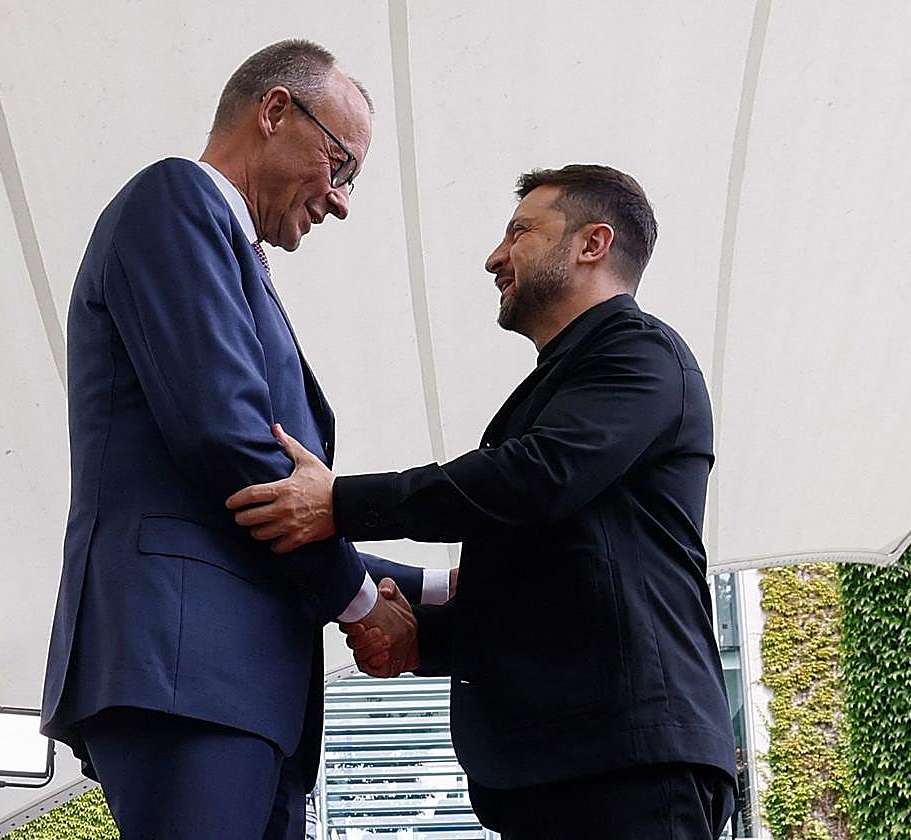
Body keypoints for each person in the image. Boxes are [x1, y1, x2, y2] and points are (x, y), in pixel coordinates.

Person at [228, 165, 738, 838]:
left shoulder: (641, 356)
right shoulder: (564, 386)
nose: (495, 257)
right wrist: (424, 640)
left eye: (521, 231)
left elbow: (534, 479)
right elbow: (550, 576)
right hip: (554, 773)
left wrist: (340, 503)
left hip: (626, 766)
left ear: (593, 244)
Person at [40, 39, 446, 840]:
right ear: (273, 112)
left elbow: (289, 506)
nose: (340, 202)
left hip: (239, 684)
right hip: (185, 666)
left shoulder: (232, 256)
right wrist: (362, 604)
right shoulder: (175, 199)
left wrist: (433, 589)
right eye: (341, 166)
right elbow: (228, 443)